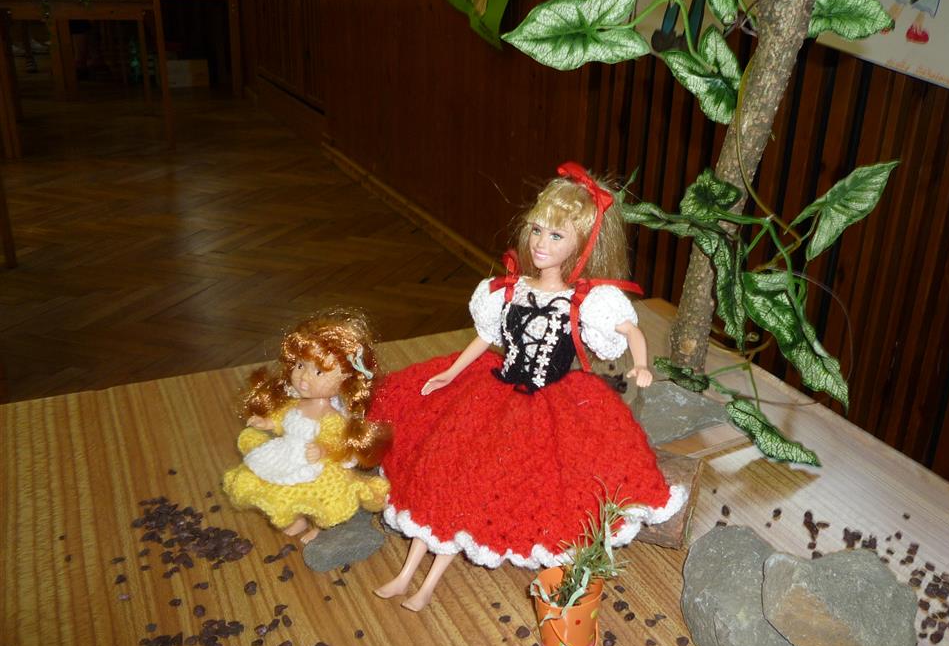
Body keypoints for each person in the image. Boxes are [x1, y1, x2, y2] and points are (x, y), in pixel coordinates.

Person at [368, 162, 687, 611]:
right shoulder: (510, 289)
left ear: (580, 245)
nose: (541, 243)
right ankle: (405, 575)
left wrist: (642, 364)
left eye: (556, 236)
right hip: (492, 388)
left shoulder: (586, 300)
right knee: (441, 474)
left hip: (545, 404)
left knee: (469, 491)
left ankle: (425, 586)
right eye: (537, 230)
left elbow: (630, 330)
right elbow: (486, 337)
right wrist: (452, 373)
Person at [223, 309, 392, 545]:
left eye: (319, 372)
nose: (304, 378)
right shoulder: (296, 403)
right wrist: (267, 422)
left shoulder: (331, 416)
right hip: (286, 453)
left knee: (317, 496)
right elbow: (284, 420)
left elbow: (337, 441)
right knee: (273, 488)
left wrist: (322, 450)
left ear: (345, 378)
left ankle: (316, 526)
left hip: (315, 463)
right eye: (301, 366)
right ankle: (296, 520)